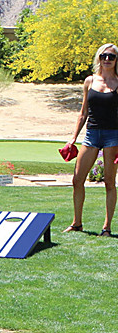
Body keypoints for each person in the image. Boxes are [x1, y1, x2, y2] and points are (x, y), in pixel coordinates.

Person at [61, 43, 118, 236]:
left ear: (116, 60)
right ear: (99, 58)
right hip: (91, 134)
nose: (107, 60)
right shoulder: (90, 81)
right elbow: (83, 112)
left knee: (109, 183)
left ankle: (107, 227)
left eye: (111, 56)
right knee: (77, 180)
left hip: (113, 135)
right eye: (104, 56)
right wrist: (73, 138)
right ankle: (77, 223)